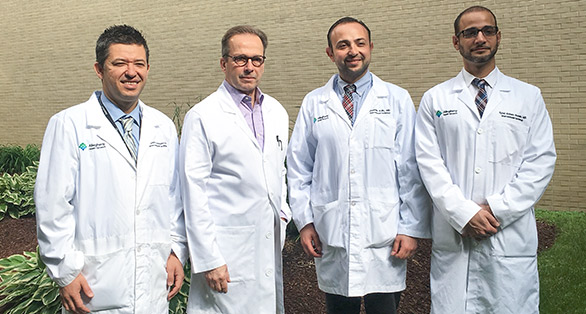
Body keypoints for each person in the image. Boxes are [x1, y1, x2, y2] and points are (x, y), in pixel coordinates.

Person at [35, 25, 187, 314]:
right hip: (93, 284)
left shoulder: (163, 126)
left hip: (153, 281)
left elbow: (174, 197)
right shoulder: (69, 124)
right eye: (120, 63)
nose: (132, 72)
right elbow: (52, 204)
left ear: (148, 68)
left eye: (139, 64)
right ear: (99, 69)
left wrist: (177, 250)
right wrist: (65, 271)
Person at [415, 6, 556, 313]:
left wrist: (497, 209)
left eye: (487, 31)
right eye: (470, 32)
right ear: (456, 42)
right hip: (456, 235)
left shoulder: (527, 96)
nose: (480, 38)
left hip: (508, 235)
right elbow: (428, 162)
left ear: (498, 37)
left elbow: (540, 161)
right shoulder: (435, 99)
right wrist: (463, 212)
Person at [287, 17, 431, 314]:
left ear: (371, 47)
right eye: (343, 45)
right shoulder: (315, 103)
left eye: (359, 43)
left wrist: (410, 226)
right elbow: (299, 167)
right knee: (339, 307)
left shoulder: (396, 99)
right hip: (332, 232)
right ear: (330, 53)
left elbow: (410, 168)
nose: (352, 51)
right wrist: (305, 222)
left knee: (384, 308)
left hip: (385, 233)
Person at [179, 25, 290, 314]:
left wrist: (283, 213)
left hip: (266, 241)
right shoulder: (203, 116)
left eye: (257, 59)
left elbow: (279, 171)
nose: (249, 67)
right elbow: (193, 191)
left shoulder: (276, 111)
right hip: (225, 251)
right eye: (240, 59)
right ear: (224, 63)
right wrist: (208, 258)